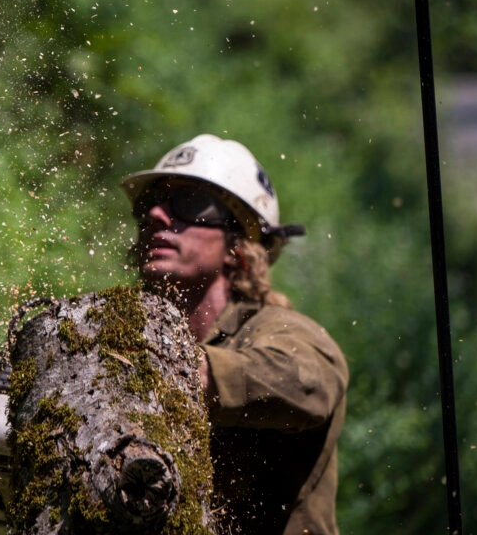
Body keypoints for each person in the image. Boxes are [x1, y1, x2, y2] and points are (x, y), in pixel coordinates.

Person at [120, 133, 348, 535]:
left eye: (189, 203)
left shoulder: (280, 328)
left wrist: (190, 372)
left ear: (236, 245)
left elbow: (311, 384)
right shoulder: (129, 335)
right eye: (148, 205)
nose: (156, 214)